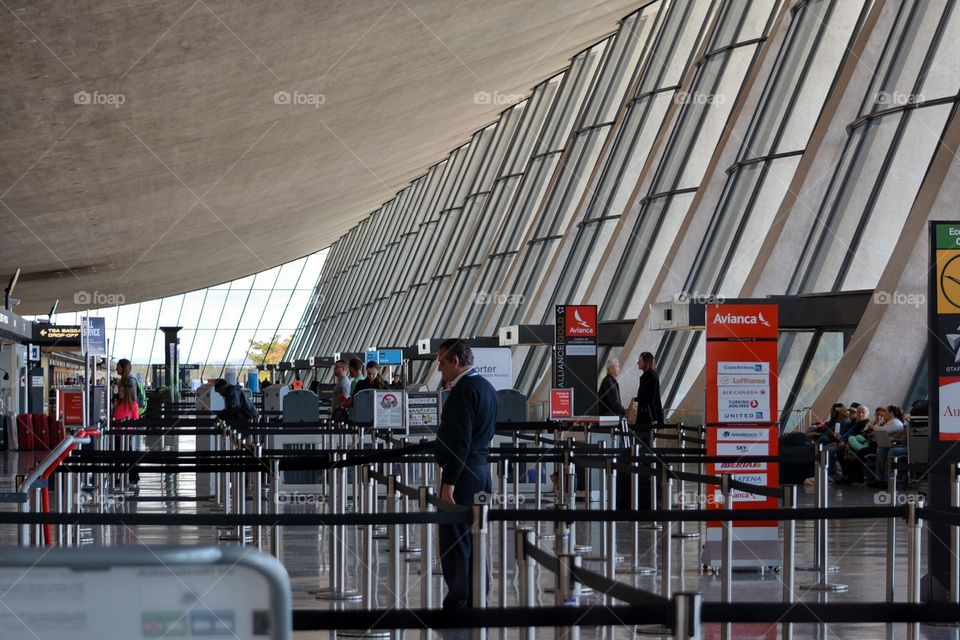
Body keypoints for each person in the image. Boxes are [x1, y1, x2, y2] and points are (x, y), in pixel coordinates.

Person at [434, 339, 497, 609]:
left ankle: (459, 599)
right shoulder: (487, 387)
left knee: (456, 539)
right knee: (476, 535)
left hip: (463, 477)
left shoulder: (462, 392)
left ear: (455, 361)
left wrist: (449, 482)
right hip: (482, 474)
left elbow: (460, 442)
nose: (439, 368)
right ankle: (477, 594)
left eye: (441, 362)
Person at [113, 358, 143, 485]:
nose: (116, 369)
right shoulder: (121, 398)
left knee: (126, 451)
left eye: (118, 366)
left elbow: (133, 408)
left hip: (126, 429)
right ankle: (126, 475)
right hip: (120, 429)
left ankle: (130, 475)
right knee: (122, 451)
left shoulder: (129, 382)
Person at [633, 351, 664, 446]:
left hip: (646, 419)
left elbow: (650, 399)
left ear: (645, 362)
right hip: (649, 417)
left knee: (644, 445)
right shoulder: (652, 375)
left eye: (640, 360)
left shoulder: (649, 376)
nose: (638, 363)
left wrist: (636, 400)